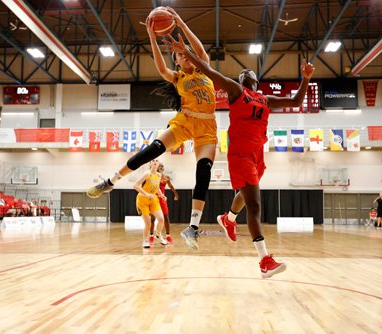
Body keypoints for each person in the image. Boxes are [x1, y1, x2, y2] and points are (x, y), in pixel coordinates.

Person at [165, 33, 314, 278]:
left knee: (245, 195)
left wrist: (306, 78)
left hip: (257, 154)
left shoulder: (265, 99)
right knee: (255, 205)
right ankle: (265, 260)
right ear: (243, 80)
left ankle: (229, 217)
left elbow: (297, 101)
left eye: (249, 72)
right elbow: (208, 70)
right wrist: (187, 52)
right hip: (240, 154)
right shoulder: (236, 91)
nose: (246, 72)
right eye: (242, 73)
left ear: (257, 80)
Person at [86, 7, 217, 250]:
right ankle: (111, 180)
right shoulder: (178, 78)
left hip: (207, 126)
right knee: (153, 149)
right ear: (176, 60)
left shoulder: (203, 68)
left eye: (186, 55)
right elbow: (160, 68)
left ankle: (193, 227)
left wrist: (180, 23)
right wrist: (151, 37)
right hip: (185, 121)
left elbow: (198, 50)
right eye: (179, 57)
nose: (184, 57)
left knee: (204, 172)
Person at [133, 160, 168, 248]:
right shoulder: (147, 174)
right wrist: (146, 194)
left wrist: (162, 195)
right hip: (142, 200)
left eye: (157, 161)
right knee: (148, 223)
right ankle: (145, 240)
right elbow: (135, 185)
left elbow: (157, 188)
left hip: (153, 199)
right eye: (153, 160)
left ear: (159, 163)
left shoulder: (159, 175)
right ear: (150, 163)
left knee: (161, 219)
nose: (155, 162)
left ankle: (158, 234)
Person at [149, 162, 179, 244]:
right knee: (153, 218)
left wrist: (176, 194)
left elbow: (171, 186)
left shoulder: (166, 178)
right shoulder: (153, 176)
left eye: (162, 166)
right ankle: (151, 236)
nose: (161, 167)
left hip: (162, 199)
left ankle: (168, 236)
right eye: (159, 166)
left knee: (166, 217)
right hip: (154, 198)